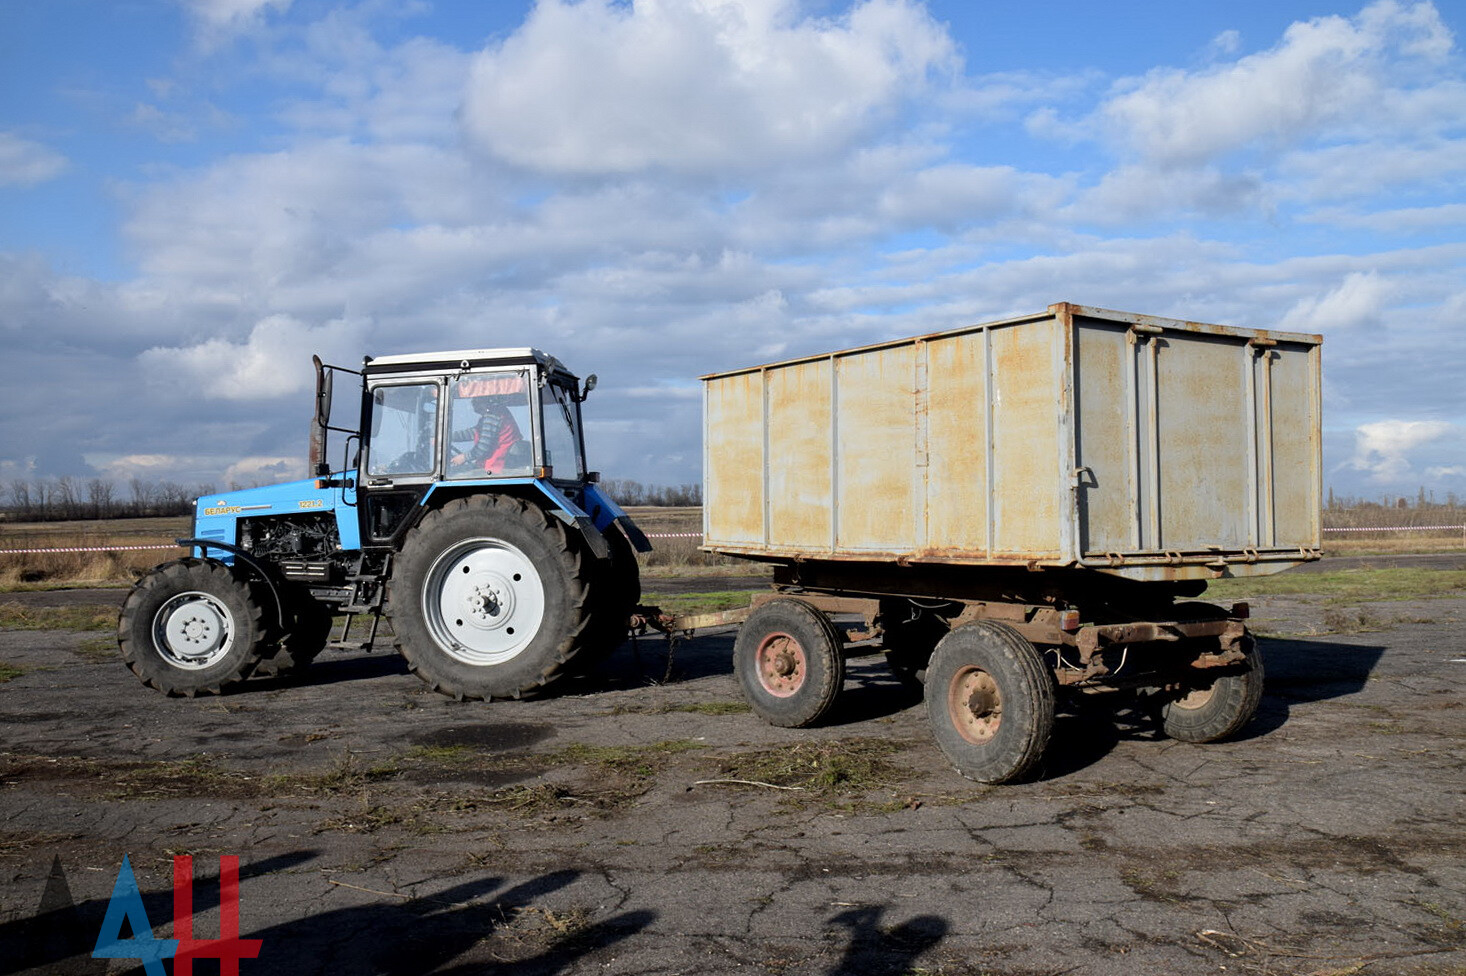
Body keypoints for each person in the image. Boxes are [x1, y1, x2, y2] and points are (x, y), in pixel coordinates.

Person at [450, 395, 523, 475]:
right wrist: (446, 437)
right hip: (493, 466)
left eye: (476, 399)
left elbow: (482, 448)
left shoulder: (493, 416)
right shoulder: (497, 414)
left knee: (453, 473)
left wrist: (463, 457)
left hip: (495, 468)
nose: (472, 402)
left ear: (484, 400)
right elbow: (474, 433)